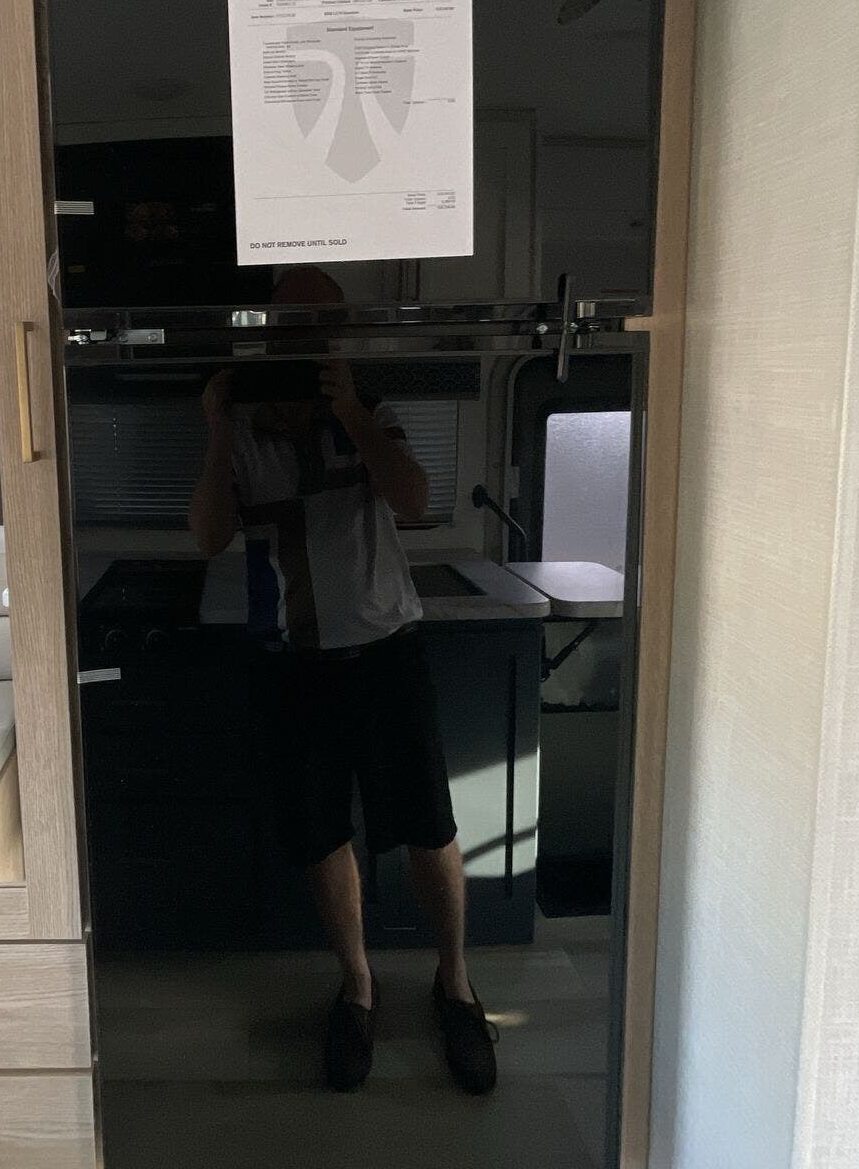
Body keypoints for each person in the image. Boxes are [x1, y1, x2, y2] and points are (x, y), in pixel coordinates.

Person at [188, 265, 498, 1096]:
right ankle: (357, 987)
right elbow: (209, 536)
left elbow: (415, 497)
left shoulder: (370, 411)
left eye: (321, 322)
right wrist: (216, 431)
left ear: (341, 333)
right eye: (290, 323)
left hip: (387, 650)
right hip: (294, 661)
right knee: (324, 832)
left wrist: (353, 412)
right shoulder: (242, 430)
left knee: (430, 826)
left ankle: (455, 982)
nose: (304, 337)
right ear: (266, 332)